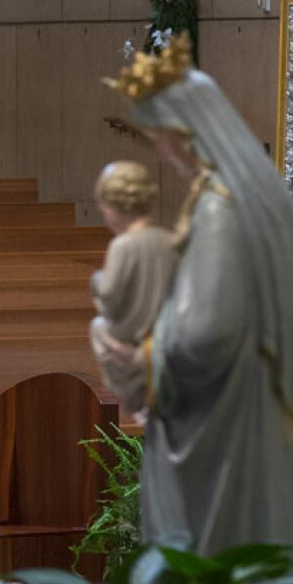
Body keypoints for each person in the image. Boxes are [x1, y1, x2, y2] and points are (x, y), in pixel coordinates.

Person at [102, 36, 293, 559]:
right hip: (260, 408)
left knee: (224, 563)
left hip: (230, 423)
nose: (160, 150)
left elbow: (209, 328)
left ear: (185, 133)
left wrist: (145, 357)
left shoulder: (221, 209)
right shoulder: (253, 193)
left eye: (160, 136)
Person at [88, 161, 176, 417]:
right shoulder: (170, 241)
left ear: (118, 206)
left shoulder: (123, 245)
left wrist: (97, 280)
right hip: (162, 337)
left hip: (132, 334)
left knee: (99, 328)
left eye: (104, 207)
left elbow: (111, 300)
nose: (104, 215)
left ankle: (135, 393)